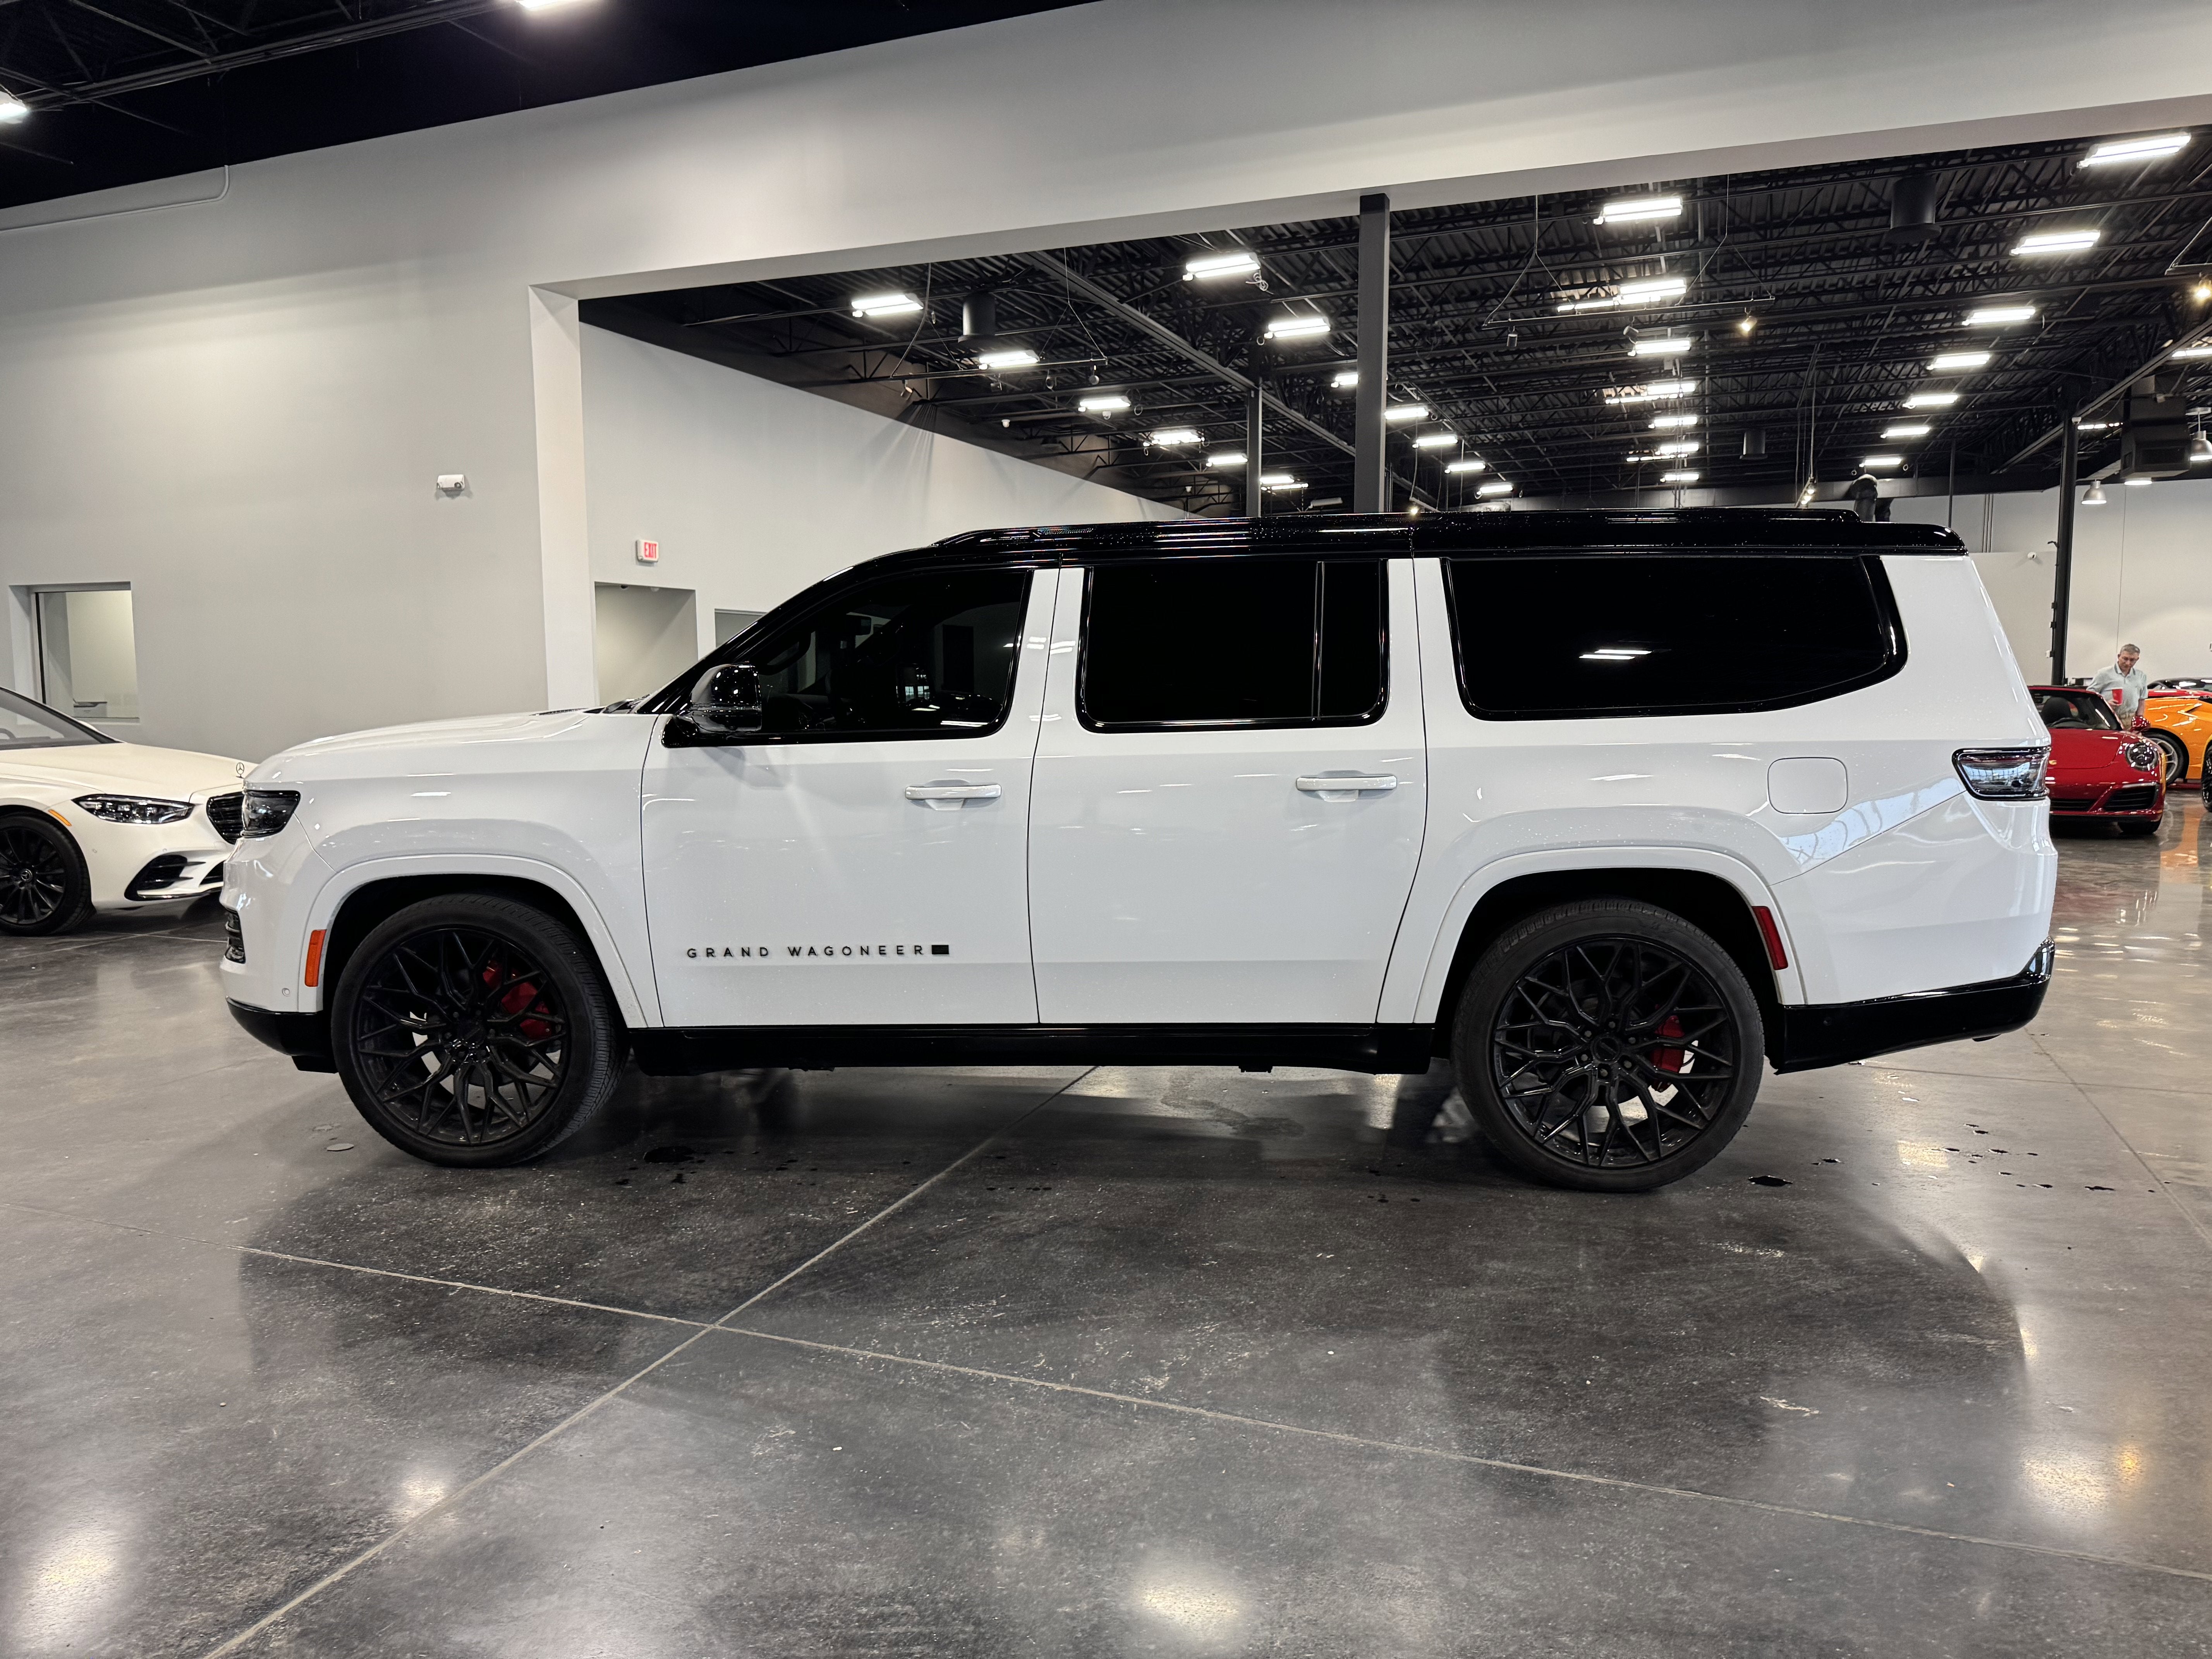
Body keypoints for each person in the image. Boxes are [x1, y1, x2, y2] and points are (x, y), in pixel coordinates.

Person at [2089, 644, 2148, 727]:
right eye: (2125, 659)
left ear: (2137, 659)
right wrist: (2105, 704)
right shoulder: (2104, 674)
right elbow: (2090, 695)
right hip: (2107, 718)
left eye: (2132, 660)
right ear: (2119, 656)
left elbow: (2142, 701)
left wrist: (2139, 720)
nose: (2128, 663)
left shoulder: (2141, 676)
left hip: (2130, 720)